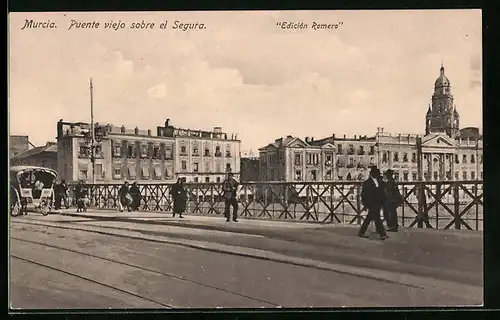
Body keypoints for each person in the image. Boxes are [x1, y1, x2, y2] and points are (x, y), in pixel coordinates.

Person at [358, 166, 388, 240]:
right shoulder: (367, 183)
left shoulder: (378, 181)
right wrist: (365, 204)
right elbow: (364, 194)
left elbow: (381, 191)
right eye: (376, 173)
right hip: (371, 202)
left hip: (378, 202)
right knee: (377, 217)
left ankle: (361, 232)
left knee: (369, 217)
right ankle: (382, 234)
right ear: (372, 174)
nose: (378, 175)